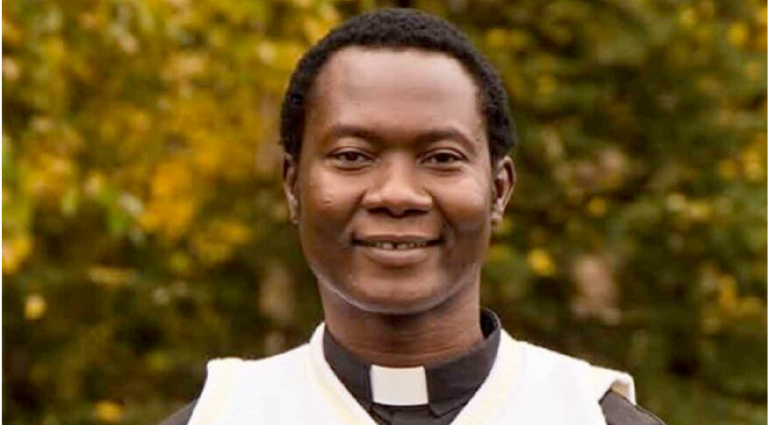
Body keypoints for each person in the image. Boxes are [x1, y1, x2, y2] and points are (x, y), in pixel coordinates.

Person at [160, 8, 665, 425]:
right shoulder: (219, 416)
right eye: (352, 156)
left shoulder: (591, 416)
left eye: (442, 157)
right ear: (294, 186)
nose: (397, 194)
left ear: (498, 190)